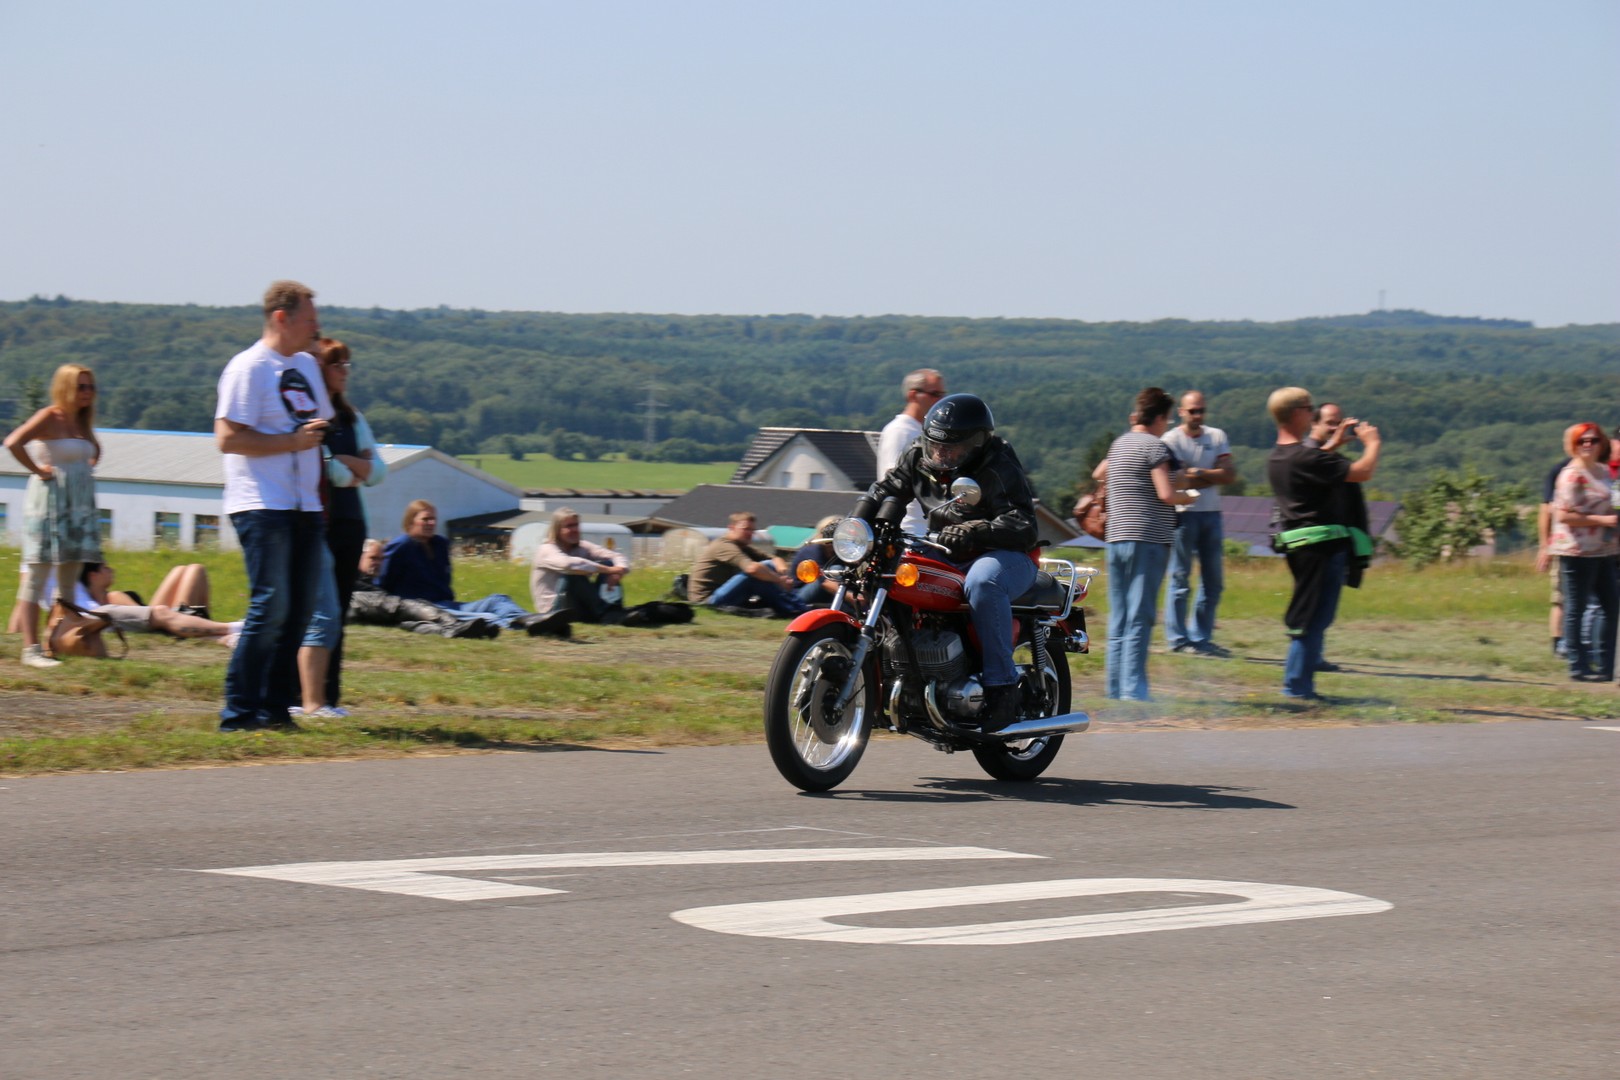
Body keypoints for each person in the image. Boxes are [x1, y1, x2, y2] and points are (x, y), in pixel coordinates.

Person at [853, 393, 1038, 730]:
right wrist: (854, 523)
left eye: (952, 448)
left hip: (1005, 554)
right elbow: (887, 488)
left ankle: (1002, 688)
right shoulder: (918, 456)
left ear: (977, 444)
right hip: (945, 548)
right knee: (888, 570)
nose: (941, 453)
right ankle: (897, 675)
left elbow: (1023, 525)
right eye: (935, 444)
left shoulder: (997, 464)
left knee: (983, 582)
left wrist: (976, 530)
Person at [214, 280, 334, 731]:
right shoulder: (249, 367)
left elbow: (318, 423)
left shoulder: (305, 365)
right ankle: (240, 712)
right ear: (282, 318)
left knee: (299, 610)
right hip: (262, 504)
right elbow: (228, 438)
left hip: (305, 506)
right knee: (272, 607)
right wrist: (291, 442)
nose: (316, 329)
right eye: (309, 320)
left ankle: (276, 709)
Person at [1266, 386, 1382, 702]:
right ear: (1297, 414)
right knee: (1313, 617)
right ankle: (1296, 687)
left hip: (1300, 545)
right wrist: (1372, 443)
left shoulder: (1279, 456)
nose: (1311, 412)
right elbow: (1362, 472)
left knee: (1311, 614)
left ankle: (1300, 684)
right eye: (1309, 407)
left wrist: (1333, 445)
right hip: (1321, 547)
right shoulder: (1307, 457)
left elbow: (1311, 463)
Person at [294, 337, 389, 719]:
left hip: (351, 523)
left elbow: (378, 472)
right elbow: (329, 472)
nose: (344, 372)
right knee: (315, 610)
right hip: (322, 521)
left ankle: (330, 696)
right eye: (337, 365)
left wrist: (347, 462)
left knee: (339, 611)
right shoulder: (310, 414)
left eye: (347, 365)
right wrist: (355, 466)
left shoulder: (352, 417)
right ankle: (302, 694)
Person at [1096, 388, 1197, 702]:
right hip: (1148, 538)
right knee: (1141, 615)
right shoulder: (1155, 446)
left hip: (1116, 537)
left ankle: (1114, 688)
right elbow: (1166, 494)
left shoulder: (1119, 444)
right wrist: (1187, 498)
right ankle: (1134, 691)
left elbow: (1099, 473)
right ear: (1161, 418)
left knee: (1120, 615)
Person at [5, 364, 103, 668]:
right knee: (36, 577)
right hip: (49, 504)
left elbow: (95, 451)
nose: (88, 392)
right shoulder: (50, 416)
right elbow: (13, 442)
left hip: (77, 507)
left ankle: (54, 642)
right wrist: (38, 470)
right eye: (81, 386)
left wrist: (84, 468)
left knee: (69, 578)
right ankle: (30, 649)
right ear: (65, 388)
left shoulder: (82, 421)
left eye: (91, 387)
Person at [381, 500, 573, 636]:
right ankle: (527, 628)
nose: (431, 523)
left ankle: (533, 620)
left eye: (433, 519)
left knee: (498, 600)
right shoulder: (401, 546)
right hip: (423, 608)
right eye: (425, 519)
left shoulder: (439, 545)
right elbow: (383, 583)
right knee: (484, 617)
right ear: (411, 521)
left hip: (447, 603)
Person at [1161, 390, 1235, 657]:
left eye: (1201, 410)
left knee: (1213, 580)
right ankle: (1178, 638)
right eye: (1192, 411)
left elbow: (1229, 475)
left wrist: (1198, 472)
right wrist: (1212, 475)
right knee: (1180, 577)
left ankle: (1201, 637)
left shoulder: (1217, 436)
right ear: (1182, 412)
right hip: (1184, 514)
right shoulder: (1171, 439)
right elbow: (1177, 479)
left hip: (1212, 514)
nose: (1198, 415)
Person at [1548, 423, 1617, 683]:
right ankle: (1578, 665)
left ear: (1601, 444)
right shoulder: (1570, 475)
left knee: (1610, 606)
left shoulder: (1604, 471)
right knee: (1576, 608)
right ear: (1573, 445)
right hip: (1576, 550)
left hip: (1604, 549)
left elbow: (1613, 502)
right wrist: (1602, 521)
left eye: (1593, 440)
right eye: (1582, 441)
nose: (1588, 445)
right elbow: (1563, 515)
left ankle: (1606, 665)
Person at [349, 539, 498, 638]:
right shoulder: (349, 575)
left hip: (362, 612)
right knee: (399, 605)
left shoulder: (372, 582)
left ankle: (460, 631)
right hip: (353, 603)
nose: (377, 563)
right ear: (358, 556)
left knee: (407, 623)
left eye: (380, 559)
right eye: (373, 558)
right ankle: (454, 624)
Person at [73, 563, 242, 646]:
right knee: (196, 569)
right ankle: (211, 626)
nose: (111, 570)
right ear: (93, 576)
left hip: (158, 615)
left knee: (180, 569)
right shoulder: (111, 598)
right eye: (105, 568)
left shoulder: (110, 598)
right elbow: (143, 617)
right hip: (164, 620)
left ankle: (209, 627)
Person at [688, 512, 808, 618]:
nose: (750, 533)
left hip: (722, 594)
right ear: (732, 528)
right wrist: (779, 581)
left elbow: (775, 559)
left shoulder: (741, 545)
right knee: (756, 573)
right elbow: (752, 569)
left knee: (766, 567)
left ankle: (793, 606)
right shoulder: (724, 546)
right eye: (746, 529)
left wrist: (783, 574)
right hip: (709, 600)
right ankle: (791, 607)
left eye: (752, 530)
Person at [876, 368, 947, 536]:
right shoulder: (900, 431)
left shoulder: (923, 431)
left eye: (943, 395)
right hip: (909, 529)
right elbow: (893, 481)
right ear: (913, 395)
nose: (941, 401)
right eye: (935, 394)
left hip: (926, 529)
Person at [530, 508, 631, 624]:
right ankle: (606, 614)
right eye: (569, 526)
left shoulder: (582, 547)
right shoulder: (546, 549)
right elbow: (568, 564)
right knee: (574, 573)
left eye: (576, 525)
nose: (575, 530)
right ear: (557, 530)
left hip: (580, 607)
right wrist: (608, 570)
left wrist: (618, 571)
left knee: (609, 562)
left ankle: (614, 612)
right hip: (555, 611)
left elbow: (616, 556)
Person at [789, 515, 842, 607]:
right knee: (836, 569)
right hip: (801, 595)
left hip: (825, 592)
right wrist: (850, 597)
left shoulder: (838, 553)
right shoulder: (812, 550)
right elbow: (825, 582)